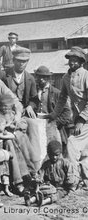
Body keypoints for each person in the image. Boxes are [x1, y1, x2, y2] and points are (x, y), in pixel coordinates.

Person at [46, 46, 88, 187]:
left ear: (81, 62)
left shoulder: (86, 76)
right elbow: (62, 98)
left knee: (71, 143)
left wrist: (81, 120)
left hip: (84, 119)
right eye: (70, 60)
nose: (72, 63)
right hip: (78, 119)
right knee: (81, 150)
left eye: (75, 61)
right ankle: (80, 178)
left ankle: (74, 179)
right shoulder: (65, 77)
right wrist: (53, 115)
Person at [24, 140, 79, 207]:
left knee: (58, 194)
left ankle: (44, 202)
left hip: (62, 188)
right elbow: (40, 174)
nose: (54, 157)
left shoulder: (65, 163)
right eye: (52, 155)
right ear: (48, 154)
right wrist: (38, 179)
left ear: (60, 153)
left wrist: (69, 185)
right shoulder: (46, 164)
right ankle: (31, 200)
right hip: (50, 186)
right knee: (42, 191)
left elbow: (71, 176)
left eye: (57, 155)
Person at [35, 65, 72, 151]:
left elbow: (67, 112)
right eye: (39, 76)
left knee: (53, 149)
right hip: (37, 124)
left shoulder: (56, 93)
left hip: (51, 125)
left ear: (48, 78)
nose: (41, 79)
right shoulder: (34, 91)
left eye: (44, 77)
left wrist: (57, 123)